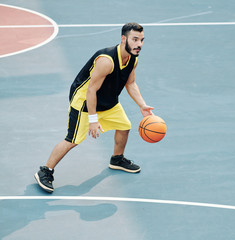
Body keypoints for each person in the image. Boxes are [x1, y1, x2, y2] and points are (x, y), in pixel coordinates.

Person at [35, 22, 153, 193]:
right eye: (135, 39)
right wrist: (93, 119)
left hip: (108, 100)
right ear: (123, 39)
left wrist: (142, 105)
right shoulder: (106, 60)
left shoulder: (133, 59)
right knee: (72, 140)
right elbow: (91, 90)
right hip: (84, 102)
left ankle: (117, 159)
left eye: (141, 40)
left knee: (124, 126)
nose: (139, 44)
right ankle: (45, 170)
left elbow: (131, 83)